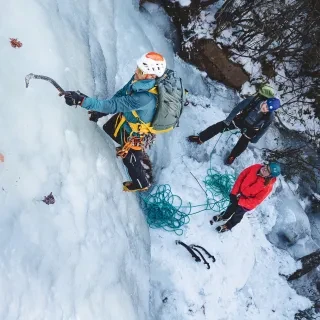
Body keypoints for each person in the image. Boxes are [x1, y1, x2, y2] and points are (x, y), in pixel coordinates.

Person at [63, 52, 167, 192]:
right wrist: (101, 110)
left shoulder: (145, 97)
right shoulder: (140, 80)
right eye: (137, 67)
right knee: (110, 128)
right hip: (130, 119)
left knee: (130, 159)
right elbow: (120, 97)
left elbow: (114, 106)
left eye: (140, 70)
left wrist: (83, 101)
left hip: (138, 131)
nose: (135, 72)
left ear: (152, 76)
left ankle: (141, 184)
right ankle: (135, 155)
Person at [187, 86, 281, 165]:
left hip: (251, 129)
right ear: (265, 101)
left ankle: (233, 156)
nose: (265, 109)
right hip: (240, 120)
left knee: (242, 144)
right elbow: (238, 108)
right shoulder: (253, 100)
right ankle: (201, 138)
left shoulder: (270, 116)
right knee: (218, 127)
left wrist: (256, 138)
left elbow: (265, 128)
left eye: (268, 109)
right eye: (266, 105)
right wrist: (228, 120)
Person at [211, 162, 281, 232]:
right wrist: (234, 192)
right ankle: (224, 216)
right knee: (231, 207)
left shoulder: (267, 187)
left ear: (270, 176)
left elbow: (256, 200)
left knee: (237, 215)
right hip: (238, 193)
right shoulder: (256, 167)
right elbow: (242, 176)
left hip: (246, 203)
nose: (264, 169)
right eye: (266, 166)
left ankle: (228, 226)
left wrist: (241, 202)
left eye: (268, 171)